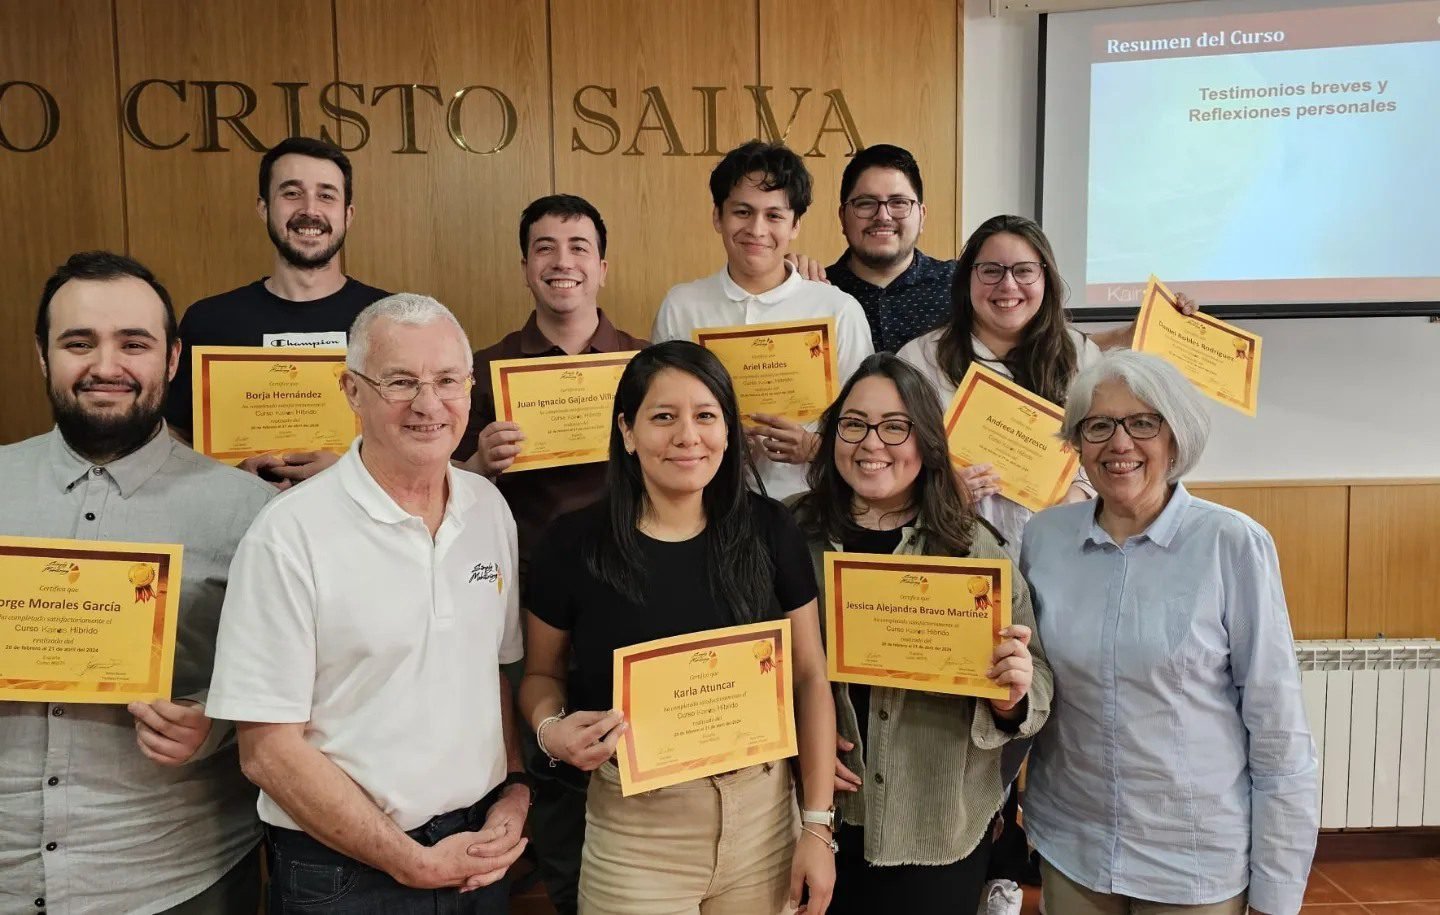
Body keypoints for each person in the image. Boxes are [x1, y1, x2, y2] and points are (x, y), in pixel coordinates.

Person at [207, 294, 531, 912]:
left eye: (446, 381)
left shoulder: (489, 509)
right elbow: (267, 750)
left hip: (477, 855)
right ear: (352, 391)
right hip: (344, 874)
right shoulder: (289, 533)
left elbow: (490, 672)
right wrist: (408, 861)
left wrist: (514, 788)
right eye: (400, 382)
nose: (428, 404)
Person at [519, 341, 837, 914]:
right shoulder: (572, 544)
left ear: (728, 429)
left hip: (764, 820)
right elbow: (540, 674)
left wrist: (816, 825)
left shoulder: (771, 531)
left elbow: (810, 676)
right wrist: (552, 732)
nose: (688, 436)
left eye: (706, 416)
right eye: (663, 417)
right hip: (637, 831)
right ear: (627, 430)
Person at [0, 251, 274, 913]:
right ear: (43, 355)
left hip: (173, 875)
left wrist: (216, 722)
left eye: (134, 343)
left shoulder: (253, 512)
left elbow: (297, 685)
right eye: (78, 342)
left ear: (173, 359)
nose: (105, 366)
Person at [1020, 350, 1319, 915]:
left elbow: (1277, 725)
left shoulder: (1231, 544)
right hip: (1073, 847)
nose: (1120, 443)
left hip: (1194, 859)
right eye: (1099, 425)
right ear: (1077, 443)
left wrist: (1278, 892)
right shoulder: (1044, 540)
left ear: (1175, 439)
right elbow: (1031, 687)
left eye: (1142, 423)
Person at [788, 353, 1050, 914]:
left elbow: (1039, 682)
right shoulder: (790, 535)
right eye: (853, 424)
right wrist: (793, 736)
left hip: (937, 823)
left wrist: (1013, 698)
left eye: (895, 426)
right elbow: (750, 656)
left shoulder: (973, 547)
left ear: (927, 441)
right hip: (811, 814)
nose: (871, 444)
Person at [454, 195, 647, 915]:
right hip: (522, 606)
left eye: (576, 246)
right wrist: (477, 461)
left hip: (629, 599)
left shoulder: (644, 363)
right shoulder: (483, 368)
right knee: (548, 763)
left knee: (625, 752)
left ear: (603, 265)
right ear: (525, 265)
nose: (561, 261)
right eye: (543, 247)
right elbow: (434, 496)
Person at [897, 214, 1197, 551]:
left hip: (1066, 544)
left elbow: (1107, 439)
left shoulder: (1081, 355)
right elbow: (897, 454)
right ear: (968, 278)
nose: (1007, 285)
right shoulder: (919, 359)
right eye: (991, 271)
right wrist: (939, 487)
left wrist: (1078, 494)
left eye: (1024, 270)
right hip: (959, 544)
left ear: (1045, 278)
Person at [651, 140, 874, 501]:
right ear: (717, 216)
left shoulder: (837, 310)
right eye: (742, 211)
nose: (756, 230)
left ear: (795, 225)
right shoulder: (682, 306)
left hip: (814, 504)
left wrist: (815, 447)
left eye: (774, 216)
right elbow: (661, 411)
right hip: (709, 503)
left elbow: (866, 426)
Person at [166, 136, 389, 487]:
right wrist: (224, 476)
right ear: (263, 208)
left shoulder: (390, 320)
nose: (310, 210)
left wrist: (353, 472)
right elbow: (173, 434)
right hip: (241, 528)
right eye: (291, 193)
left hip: (366, 528)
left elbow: (419, 431)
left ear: (348, 214)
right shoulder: (210, 321)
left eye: (326, 195)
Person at [822, 144, 956, 354]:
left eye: (899, 202)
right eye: (866, 203)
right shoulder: (817, 291)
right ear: (842, 217)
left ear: (922, 215)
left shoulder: (962, 285)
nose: (883, 216)